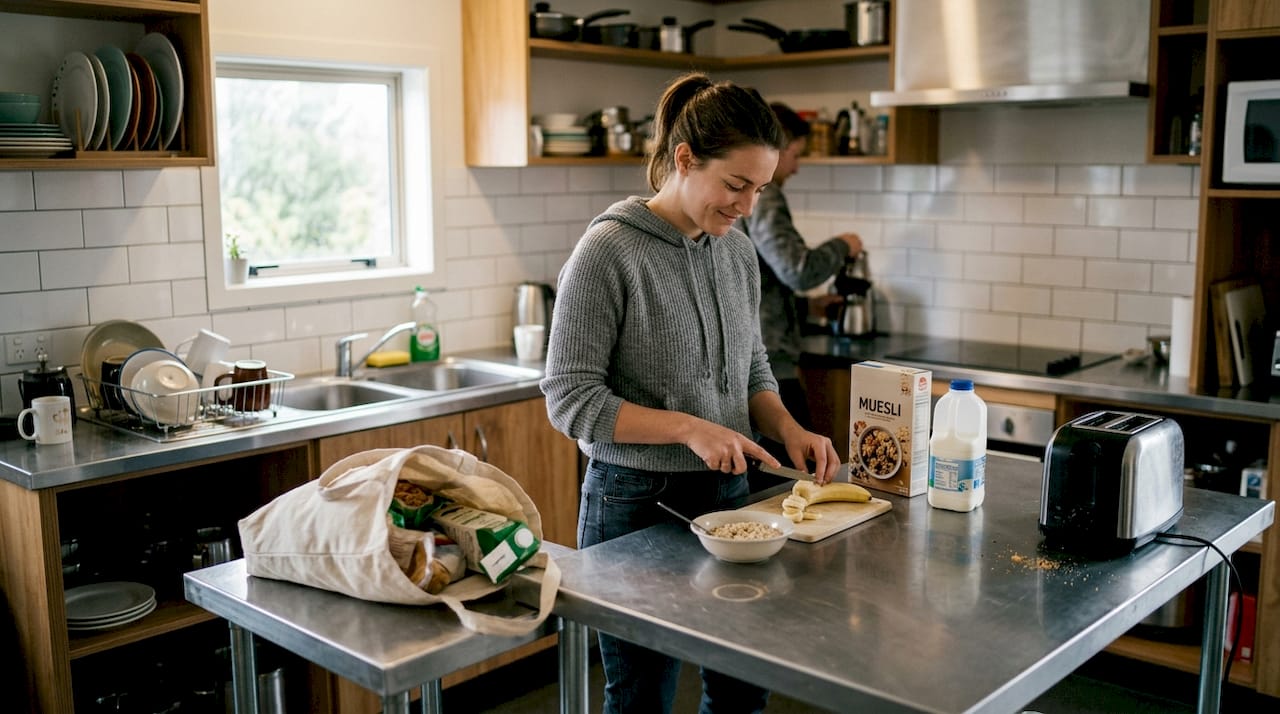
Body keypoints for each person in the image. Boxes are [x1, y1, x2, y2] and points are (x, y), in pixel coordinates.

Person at [541, 72, 840, 714]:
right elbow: (569, 399)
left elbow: (752, 370)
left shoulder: (736, 253)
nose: (747, 206)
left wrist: (788, 428)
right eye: (736, 185)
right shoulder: (607, 252)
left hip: (730, 500)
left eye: (759, 188)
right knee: (642, 698)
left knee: (741, 694)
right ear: (684, 159)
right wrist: (687, 428)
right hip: (633, 504)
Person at [738, 102, 863, 435]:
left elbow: (759, 283)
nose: (796, 167)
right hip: (768, 365)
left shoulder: (752, 197)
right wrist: (843, 245)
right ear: (776, 149)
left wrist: (807, 307)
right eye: (796, 155)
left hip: (759, 359)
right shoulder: (766, 196)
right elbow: (798, 270)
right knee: (799, 460)